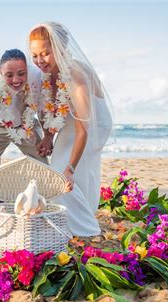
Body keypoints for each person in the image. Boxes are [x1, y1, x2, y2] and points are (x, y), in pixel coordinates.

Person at [28, 22, 114, 236]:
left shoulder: (75, 75)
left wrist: (71, 168)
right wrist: (48, 136)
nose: (39, 61)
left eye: (45, 53)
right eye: (35, 55)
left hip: (92, 124)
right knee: (58, 173)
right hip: (70, 121)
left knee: (65, 174)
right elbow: (55, 108)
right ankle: (67, 222)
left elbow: (83, 129)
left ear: (59, 48)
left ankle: (86, 228)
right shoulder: (48, 73)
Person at [0, 49, 53, 177]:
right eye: (9, 75)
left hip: (27, 126)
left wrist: (48, 136)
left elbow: (43, 109)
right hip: (0, 128)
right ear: (1, 74)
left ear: (27, 70)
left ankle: (43, 196)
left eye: (21, 73)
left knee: (44, 168)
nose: (16, 80)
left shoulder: (36, 76)